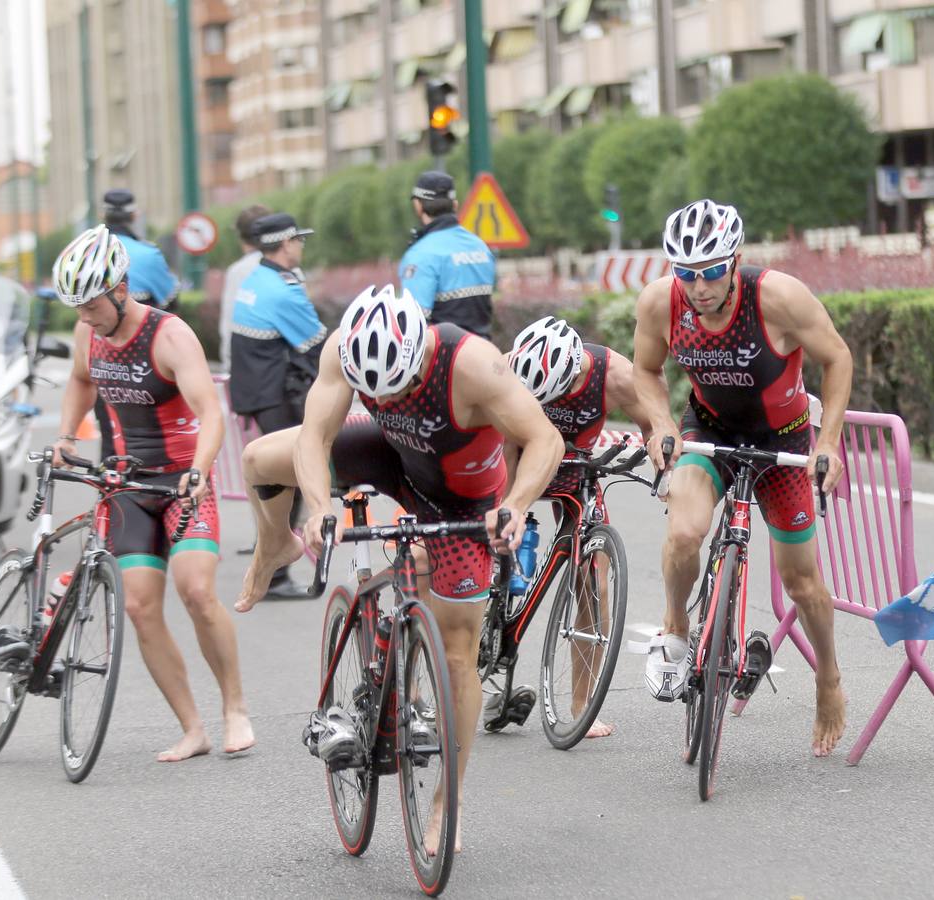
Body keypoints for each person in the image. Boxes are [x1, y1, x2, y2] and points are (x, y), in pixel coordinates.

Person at [237, 285, 561, 850]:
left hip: (460, 499)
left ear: (420, 354)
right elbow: (314, 437)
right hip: (393, 454)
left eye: (405, 386)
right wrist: (317, 509)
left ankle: (445, 804)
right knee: (260, 460)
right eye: (377, 390)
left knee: (458, 650)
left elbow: (544, 440)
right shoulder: (345, 351)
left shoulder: (473, 363)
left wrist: (514, 505)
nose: (397, 395)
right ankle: (275, 546)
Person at [632, 199, 854, 757]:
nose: (699, 285)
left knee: (802, 583)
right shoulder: (662, 303)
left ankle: (828, 678)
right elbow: (646, 368)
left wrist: (828, 442)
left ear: (735, 260)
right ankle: (676, 623)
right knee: (684, 531)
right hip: (708, 430)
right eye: (686, 272)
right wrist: (661, 423)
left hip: (782, 440)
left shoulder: (777, 297)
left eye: (710, 271)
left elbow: (839, 358)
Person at [50, 225, 255, 761]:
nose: (85, 316)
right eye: (76, 306)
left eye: (91, 303)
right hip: (127, 483)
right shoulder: (88, 333)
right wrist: (67, 436)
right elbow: (79, 380)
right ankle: (193, 728)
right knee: (139, 606)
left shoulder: (169, 335)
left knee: (196, 592)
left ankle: (235, 708)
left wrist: (200, 470)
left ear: (120, 289)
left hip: (182, 479)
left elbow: (212, 413)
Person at [497, 315, 654, 738]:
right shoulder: (503, 366)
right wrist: (501, 511)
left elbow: (654, 427)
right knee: (484, 548)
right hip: (516, 459)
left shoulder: (615, 374)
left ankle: (581, 703)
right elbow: (494, 444)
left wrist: (669, 475)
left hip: (575, 472)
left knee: (595, 583)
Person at [228, 211, 328, 600]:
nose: (301, 245)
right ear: (286, 244)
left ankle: (273, 564)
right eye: (298, 239)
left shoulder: (257, 279)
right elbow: (318, 345)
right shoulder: (281, 291)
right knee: (291, 474)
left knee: (276, 478)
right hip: (276, 392)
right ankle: (277, 573)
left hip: (257, 390)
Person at [95, 188, 181, 462]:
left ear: (103, 214)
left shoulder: (89, 251)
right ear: (134, 214)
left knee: (111, 441)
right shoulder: (148, 254)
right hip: (145, 355)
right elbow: (171, 300)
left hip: (102, 355)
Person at [399, 171, 495, 337]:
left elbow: (413, 323)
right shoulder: (480, 247)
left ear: (418, 205)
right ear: (455, 205)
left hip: (444, 358)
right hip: (485, 353)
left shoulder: (420, 255)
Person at [218, 204, 270, 372]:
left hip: (246, 363)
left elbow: (229, 320)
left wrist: (228, 362)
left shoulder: (238, 271)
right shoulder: (288, 267)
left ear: (240, 236)